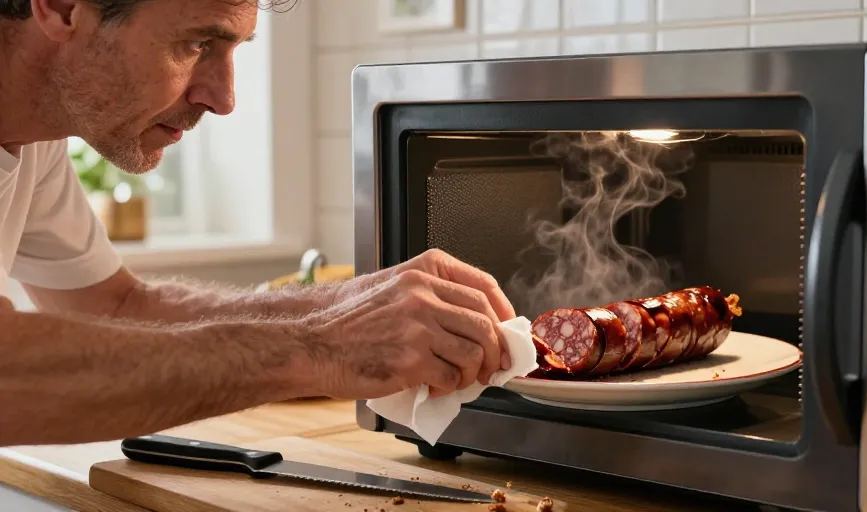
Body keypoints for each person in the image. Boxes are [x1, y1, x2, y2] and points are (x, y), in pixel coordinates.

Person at [0, 0, 515, 448]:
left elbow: (114, 306)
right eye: (197, 43)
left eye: (234, 50)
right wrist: (316, 348)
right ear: (64, 7)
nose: (224, 100)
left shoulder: (37, 138)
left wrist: (342, 306)